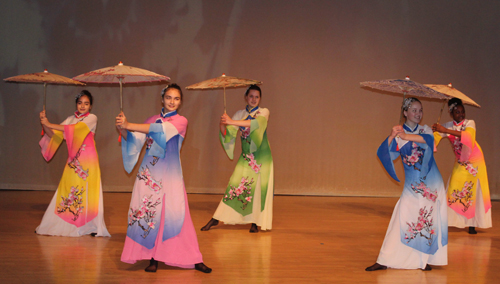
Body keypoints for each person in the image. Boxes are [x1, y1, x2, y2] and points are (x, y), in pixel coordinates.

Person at [116, 84, 211, 273]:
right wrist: (123, 128)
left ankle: (194, 258)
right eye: (168, 97)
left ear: (181, 101)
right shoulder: (151, 119)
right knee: (151, 215)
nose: (172, 102)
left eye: (176, 98)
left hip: (171, 176)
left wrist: (129, 124)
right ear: (162, 99)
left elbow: (159, 131)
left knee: (177, 217)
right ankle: (153, 257)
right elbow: (135, 141)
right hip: (149, 176)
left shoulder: (180, 120)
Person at [366, 97, 448, 271]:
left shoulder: (424, 130)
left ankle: (422, 261)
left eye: (420, 110)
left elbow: (428, 140)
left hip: (430, 183)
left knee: (426, 219)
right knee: (401, 218)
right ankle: (384, 259)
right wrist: (391, 136)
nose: (418, 114)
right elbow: (385, 154)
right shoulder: (398, 134)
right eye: (414, 110)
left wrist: (405, 136)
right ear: (405, 112)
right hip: (412, 185)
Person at [36, 90, 110, 237]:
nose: (83, 106)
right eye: (80, 102)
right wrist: (44, 124)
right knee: (68, 190)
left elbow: (73, 130)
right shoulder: (70, 118)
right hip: (73, 162)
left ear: (91, 106)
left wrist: (50, 123)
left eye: (86, 103)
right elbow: (55, 135)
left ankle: (91, 226)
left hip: (88, 162)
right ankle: (66, 223)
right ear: (76, 104)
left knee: (89, 193)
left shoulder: (92, 118)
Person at [201, 84, 274, 233]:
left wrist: (231, 122)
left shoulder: (263, 112)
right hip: (246, 157)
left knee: (258, 189)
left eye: (257, 97)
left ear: (260, 99)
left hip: (261, 158)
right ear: (246, 97)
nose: (254, 99)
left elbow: (255, 124)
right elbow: (229, 135)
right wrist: (223, 124)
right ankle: (216, 217)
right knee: (234, 185)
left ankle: (255, 222)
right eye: (251, 96)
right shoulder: (240, 113)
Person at [432, 98, 492, 234]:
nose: (461, 115)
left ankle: (472, 224)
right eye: (457, 112)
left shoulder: (470, 123)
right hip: (460, 161)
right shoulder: (448, 125)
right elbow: (434, 138)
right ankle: (447, 221)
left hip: (475, 162)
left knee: (473, 191)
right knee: (454, 188)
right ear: (451, 113)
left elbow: (468, 137)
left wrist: (445, 130)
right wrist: (433, 132)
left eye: (462, 112)